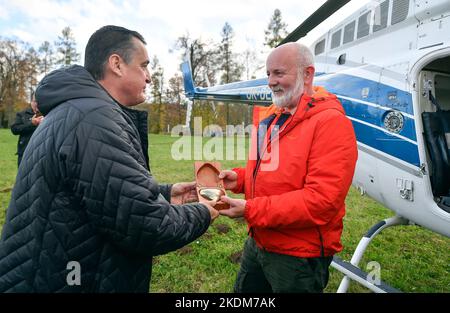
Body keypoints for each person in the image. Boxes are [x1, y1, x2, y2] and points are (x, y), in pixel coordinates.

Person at [0, 25, 218, 293]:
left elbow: (98, 193)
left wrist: (166, 194)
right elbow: (145, 226)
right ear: (116, 64)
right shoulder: (94, 119)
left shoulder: (79, 110)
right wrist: (204, 212)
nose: (149, 77)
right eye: (144, 66)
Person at [218, 42, 358, 293]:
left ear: (308, 74)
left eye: (279, 73)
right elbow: (271, 171)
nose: (271, 81)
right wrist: (239, 179)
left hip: (298, 256)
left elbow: (321, 201)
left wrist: (251, 209)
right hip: (259, 240)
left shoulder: (331, 124)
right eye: (268, 73)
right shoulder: (274, 118)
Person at [10, 94, 44, 167]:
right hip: (24, 151)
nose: (37, 104)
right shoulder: (22, 114)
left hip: (42, 152)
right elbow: (14, 129)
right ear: (31, 102)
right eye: (35, 101)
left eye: (39, 101)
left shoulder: (47, 114)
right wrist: (32, 123)